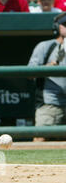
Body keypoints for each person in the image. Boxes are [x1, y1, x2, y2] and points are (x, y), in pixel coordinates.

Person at [28, 12, 66, 140]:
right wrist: (48, 66)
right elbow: (29, 74)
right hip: (50, 103)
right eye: (65, 25)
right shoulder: (45, 46)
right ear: (57, 27)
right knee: (40, 140)